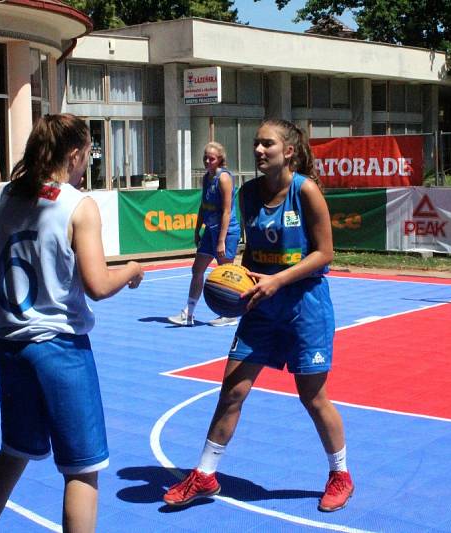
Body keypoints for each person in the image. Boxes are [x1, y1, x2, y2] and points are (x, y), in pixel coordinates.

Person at [162, 119, 353, 512]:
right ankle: (205, 473)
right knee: (231, 390)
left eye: (267, 143)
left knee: (314, 397)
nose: (259, 150)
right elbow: (254, 252)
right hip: (261, 306)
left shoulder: (307, 192)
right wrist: (238, 277)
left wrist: (278, 280)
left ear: (289, 151)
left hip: (305, 306)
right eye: (256, 144)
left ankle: (341, 474)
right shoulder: (249, 194)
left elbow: (325, 254)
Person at [0, 114, 144, 533]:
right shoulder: (77, 205)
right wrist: (133, 268)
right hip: (59, 346)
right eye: (87, 155)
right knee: (82, 469)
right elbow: (98, 284)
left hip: (10, 342)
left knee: (13, 451)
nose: (88, 162)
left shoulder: (7, 195)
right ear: (75, 153)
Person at [167, 142, 241, 327]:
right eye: (205, 158)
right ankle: (189, 313)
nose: (207, 161)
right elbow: (203, 205)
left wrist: (222, 241)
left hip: (227, 231)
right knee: (197, 269)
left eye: (212, 158)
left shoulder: (224, 179)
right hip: (210, 231)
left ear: (220, 160)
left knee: (225, 273)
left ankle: (229, 314)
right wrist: (197, 229)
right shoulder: (206, 178)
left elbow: (226, 211)